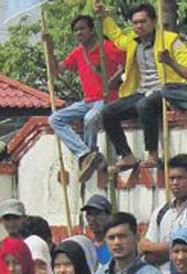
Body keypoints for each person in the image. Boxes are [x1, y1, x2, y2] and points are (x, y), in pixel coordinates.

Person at [96, 1, 187, 173]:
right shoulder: (134, 43)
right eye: (135, 23)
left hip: (166, 91)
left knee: (145, 104)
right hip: (141, 92)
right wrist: (104, 17)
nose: (138, 26)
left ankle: (153, 155)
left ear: (154, 21)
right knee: (107, 112)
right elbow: (117, 36)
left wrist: (180, 89)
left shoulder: (170, 40)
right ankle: (126, 155)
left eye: (143, 21)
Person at [44, 14, 126, 182]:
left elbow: (127, 61)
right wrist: (50, 49)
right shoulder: (78, 52)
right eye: (76, 30)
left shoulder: (106, 47)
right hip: (87, 100)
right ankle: (86, 154)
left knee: (91, 118)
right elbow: (55, 72)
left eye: (82, 28)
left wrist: (116, 77)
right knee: (55, 119)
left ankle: (89, 156)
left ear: (91, 30)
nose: (79, 33)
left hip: (107, 99)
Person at [81, 193, 113, 265]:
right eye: (89, 214)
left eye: (97, 213)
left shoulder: (115, 246)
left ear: (109, 216)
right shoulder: (86, 247)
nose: (92, 218)